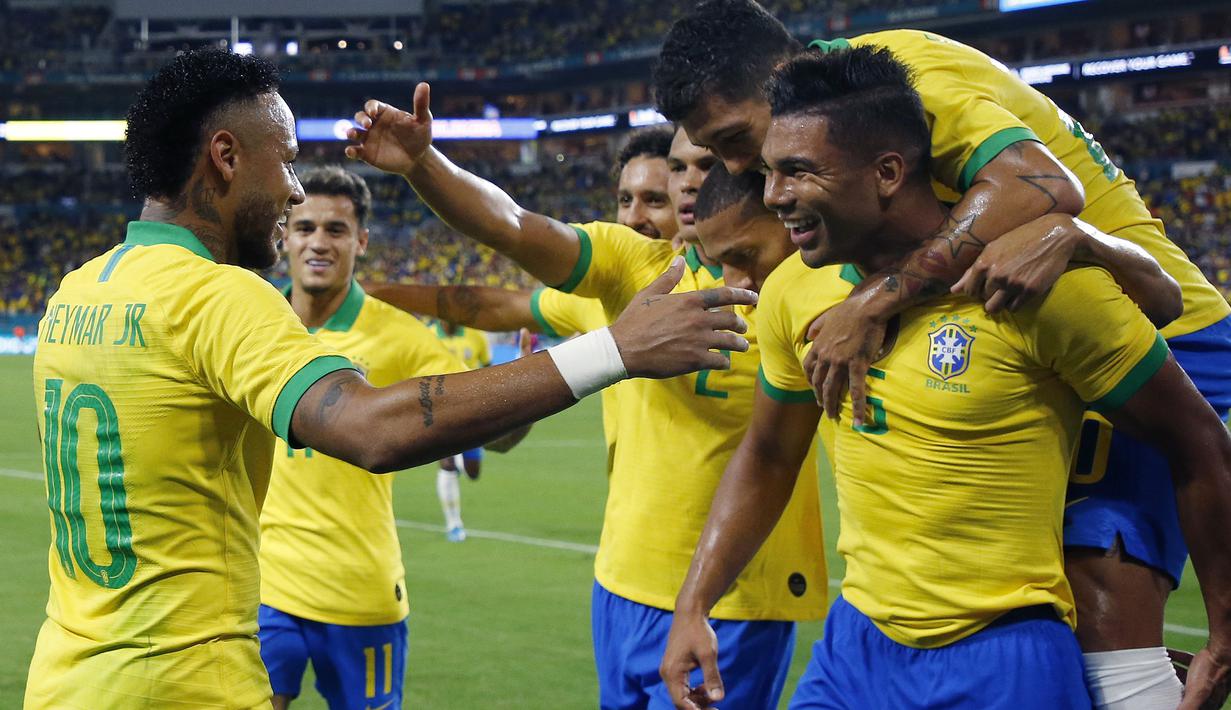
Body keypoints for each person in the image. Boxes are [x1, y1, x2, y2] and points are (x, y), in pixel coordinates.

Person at [24, 48, 756, 709]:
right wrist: (613, 350)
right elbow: (370, 428)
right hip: (180, 681)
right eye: (282, 162)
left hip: (68, 675)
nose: (290, 192)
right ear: (223, 156)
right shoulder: (216, 294)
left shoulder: (77, 292)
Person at [652, 3, 1231, 703]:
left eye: (735, 138)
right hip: (1026, 303)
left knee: (1104, 613)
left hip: (1163, 332)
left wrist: (872, 303)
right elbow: (769, 453)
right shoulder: (816, 235)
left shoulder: (908, 80)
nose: (741, 170)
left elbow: (1042, 188)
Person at [345, 84, 823, 710]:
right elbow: (513, 231)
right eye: (677, 168)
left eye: (704, 166)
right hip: (620, 581)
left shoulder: (811, 288)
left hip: (738, 595)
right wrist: (422, 166)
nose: (688, 184)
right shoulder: (636, 269)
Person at [258, 165, 527, 708]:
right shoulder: (254, 321)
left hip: (359, 589)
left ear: (360, 240)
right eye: (305, 227)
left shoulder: (399, 335)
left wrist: (520, 398)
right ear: (284, 235)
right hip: (263, 588)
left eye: (336, 229)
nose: (318, 242)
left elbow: (484, 429)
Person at [367, 125, 715, 479]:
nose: (632, 217)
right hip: (629, 529)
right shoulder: (612, 283)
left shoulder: (745, 285)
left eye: (654, 200)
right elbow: (494, 303)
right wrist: (375, 291)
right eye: (624, 200)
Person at [431, 318, 494, 541]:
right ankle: (454, 525)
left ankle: (459, 460)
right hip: (440, 413)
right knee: (446, 464)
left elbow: (488, 370)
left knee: (472, 472)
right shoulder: (427, 335)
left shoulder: (476, 336)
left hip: (472, 413)